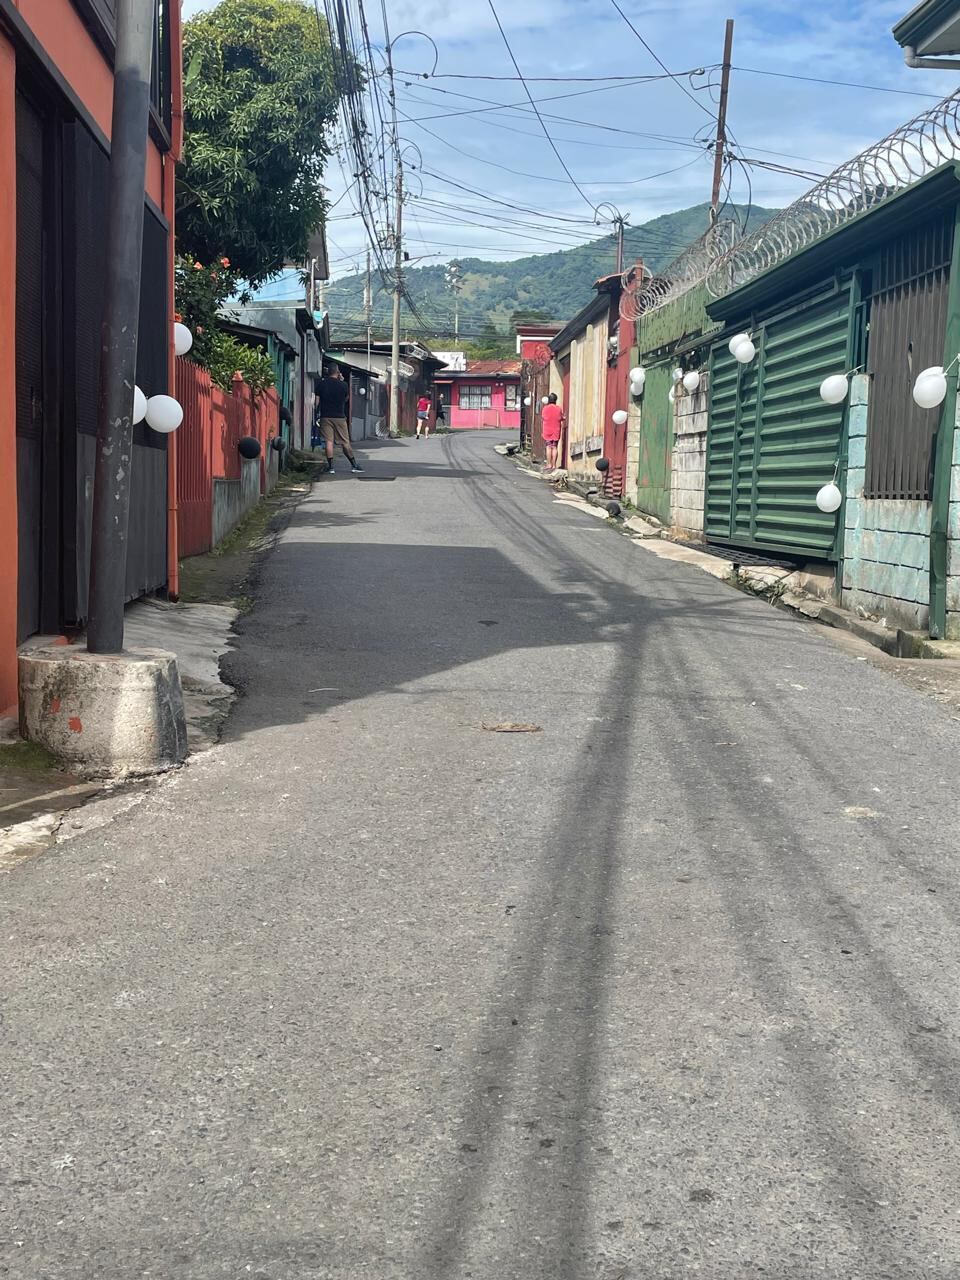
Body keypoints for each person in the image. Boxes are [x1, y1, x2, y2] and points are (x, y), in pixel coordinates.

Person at [317, 364, 363, 474]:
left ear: (328, 372)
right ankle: (354, 465)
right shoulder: (343, 385)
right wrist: (342, 381)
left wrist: (317, 413)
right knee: (345, 442)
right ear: (338, 372)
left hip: (325, 416)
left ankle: (331, 467)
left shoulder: (321, 384)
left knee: (329, 441)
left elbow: (316, 402)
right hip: (339, 417)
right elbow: (346, 399)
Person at [541, 392, 564, 472]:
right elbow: (560, 418)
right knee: (554, 447)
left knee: (548, 446)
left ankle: (549, 464)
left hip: (547, 430)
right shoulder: (558, 409)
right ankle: (554, 465)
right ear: (555, 400)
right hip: (556, 430)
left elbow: (543, 417)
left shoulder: (545, 408)